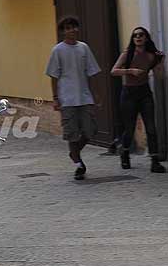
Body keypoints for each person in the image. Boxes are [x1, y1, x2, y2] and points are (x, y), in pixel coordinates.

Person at [46, 17, 101, 180]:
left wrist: (96, 93)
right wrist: (56, 98)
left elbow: (91, 72)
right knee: (72, 134)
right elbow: (54, 76)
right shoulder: (58, 50)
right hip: (67, 98)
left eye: (74, 27)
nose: (72, 30)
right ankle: (79, 164)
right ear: (63, 31)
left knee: (90, 130)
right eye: (68, 28)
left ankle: (74, 153)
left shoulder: (84, 48)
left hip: (84, 97)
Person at [110, 27, 166, 173]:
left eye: (141, 35)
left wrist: (160, 62)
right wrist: (130, 71)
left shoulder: (151, 55)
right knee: (129, 128)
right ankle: (125, 153)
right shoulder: (127, 54)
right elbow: (113, 71)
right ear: (133, 39)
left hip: (144, 92)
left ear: (146, 38)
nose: (138, 37)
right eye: (135, 35)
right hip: (128, 93)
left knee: (151, 127)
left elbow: (159, 76)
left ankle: (155, 161)